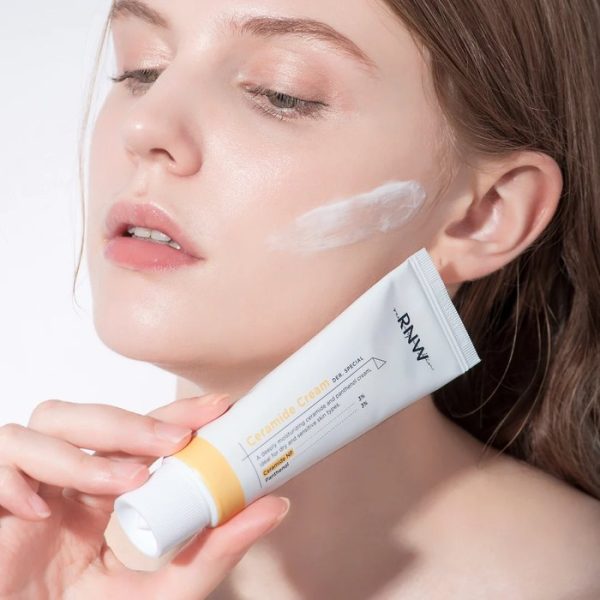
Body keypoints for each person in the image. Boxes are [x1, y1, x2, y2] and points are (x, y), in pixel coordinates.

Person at [2, 0, 599, 598]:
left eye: (279, 93)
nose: (144, 126)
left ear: (485, 215)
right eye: (142, 69)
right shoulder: (46, 562)